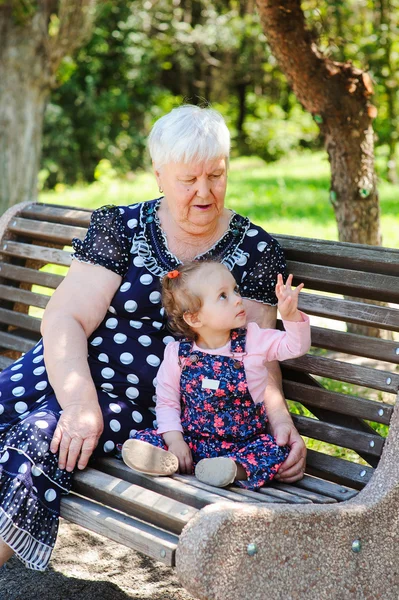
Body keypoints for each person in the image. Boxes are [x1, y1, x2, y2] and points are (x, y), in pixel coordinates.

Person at [0, 104, 306, 571]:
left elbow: (257, 357)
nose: (204, 192)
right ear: (159, 174)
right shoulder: (120, 227)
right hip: (66, 373)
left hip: (143, 405)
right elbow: (65, 318)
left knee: (41, 437)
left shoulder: (256, 251)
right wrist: (81, 402)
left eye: (216, 175)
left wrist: (282, 423)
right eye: (189, 180)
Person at [122, 262, 310, 489]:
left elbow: (294, 347)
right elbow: (167, 402)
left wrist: (290, 316)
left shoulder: (253, 340)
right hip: (192, 442)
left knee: (275, 450)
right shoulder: (178, 354)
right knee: (148, 437)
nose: (237, 299)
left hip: (244, 444)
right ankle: (168, 460)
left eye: (235, 290)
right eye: (223, 296)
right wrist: (176, 441)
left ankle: (230, 470)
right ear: (194, 318)